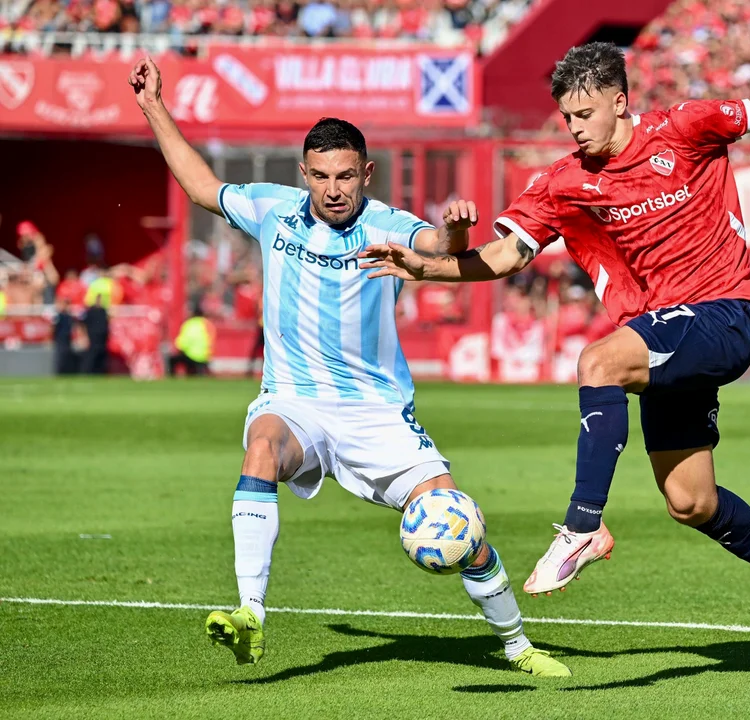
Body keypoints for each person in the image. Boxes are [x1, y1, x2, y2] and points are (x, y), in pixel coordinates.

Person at [362, 41, 750, 652]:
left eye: (585, 113)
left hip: (724, 315)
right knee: (690, 501)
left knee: (597, 361)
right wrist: (420, 265)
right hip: (666, 337)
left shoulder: (684, 128)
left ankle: (582, 528)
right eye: (567, 117)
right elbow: (501, 256)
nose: (575, 128)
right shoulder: (563, 183)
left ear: (620, 102)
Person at [128, 56, 569, 677]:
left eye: (345, 176)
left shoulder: (388, 225)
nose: (333, 189)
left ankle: (518, 645)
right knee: (261, 447)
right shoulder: (274, 210)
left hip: (377, 413)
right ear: (303, 174)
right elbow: (202, 188)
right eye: (320, 176)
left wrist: (456, 233)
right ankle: (250, 613)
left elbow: (437, 249)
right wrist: (153, 107)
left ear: (365, 172)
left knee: (459, 521)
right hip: (296, 401)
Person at [169, 304, 216, 376]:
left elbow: (183, 342)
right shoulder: (208, 324)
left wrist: (178, 347)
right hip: (205, 356)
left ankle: (172, 378)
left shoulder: (190, 324)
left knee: (172, 360)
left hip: (192, 356)